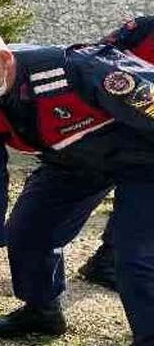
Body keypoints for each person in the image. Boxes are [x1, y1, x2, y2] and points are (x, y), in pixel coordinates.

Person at [0, 17, 154, 344]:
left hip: (145, 162)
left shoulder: (78, 69)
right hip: (72, 162)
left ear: (4, 60)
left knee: (136, 255)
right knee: (28, 232)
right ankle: (41, 312)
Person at [78, 15, 154, 291]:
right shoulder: (142, 28)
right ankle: (107, 262)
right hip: (113, 122)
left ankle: (107, 261)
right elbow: (96, 55)